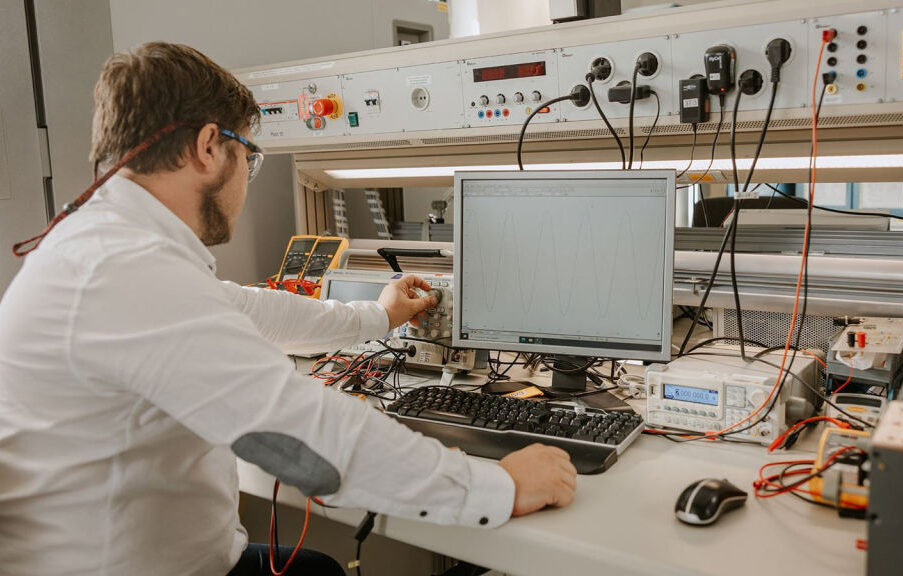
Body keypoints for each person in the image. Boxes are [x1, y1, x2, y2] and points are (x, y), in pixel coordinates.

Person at [0, 42, 577, 576]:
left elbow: (250, 311)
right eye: (246, 157)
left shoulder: (109, 250)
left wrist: (376, 318)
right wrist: (496, 484)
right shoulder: (121, 271)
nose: (246, 183)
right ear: (207, 147)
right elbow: (301, 437)